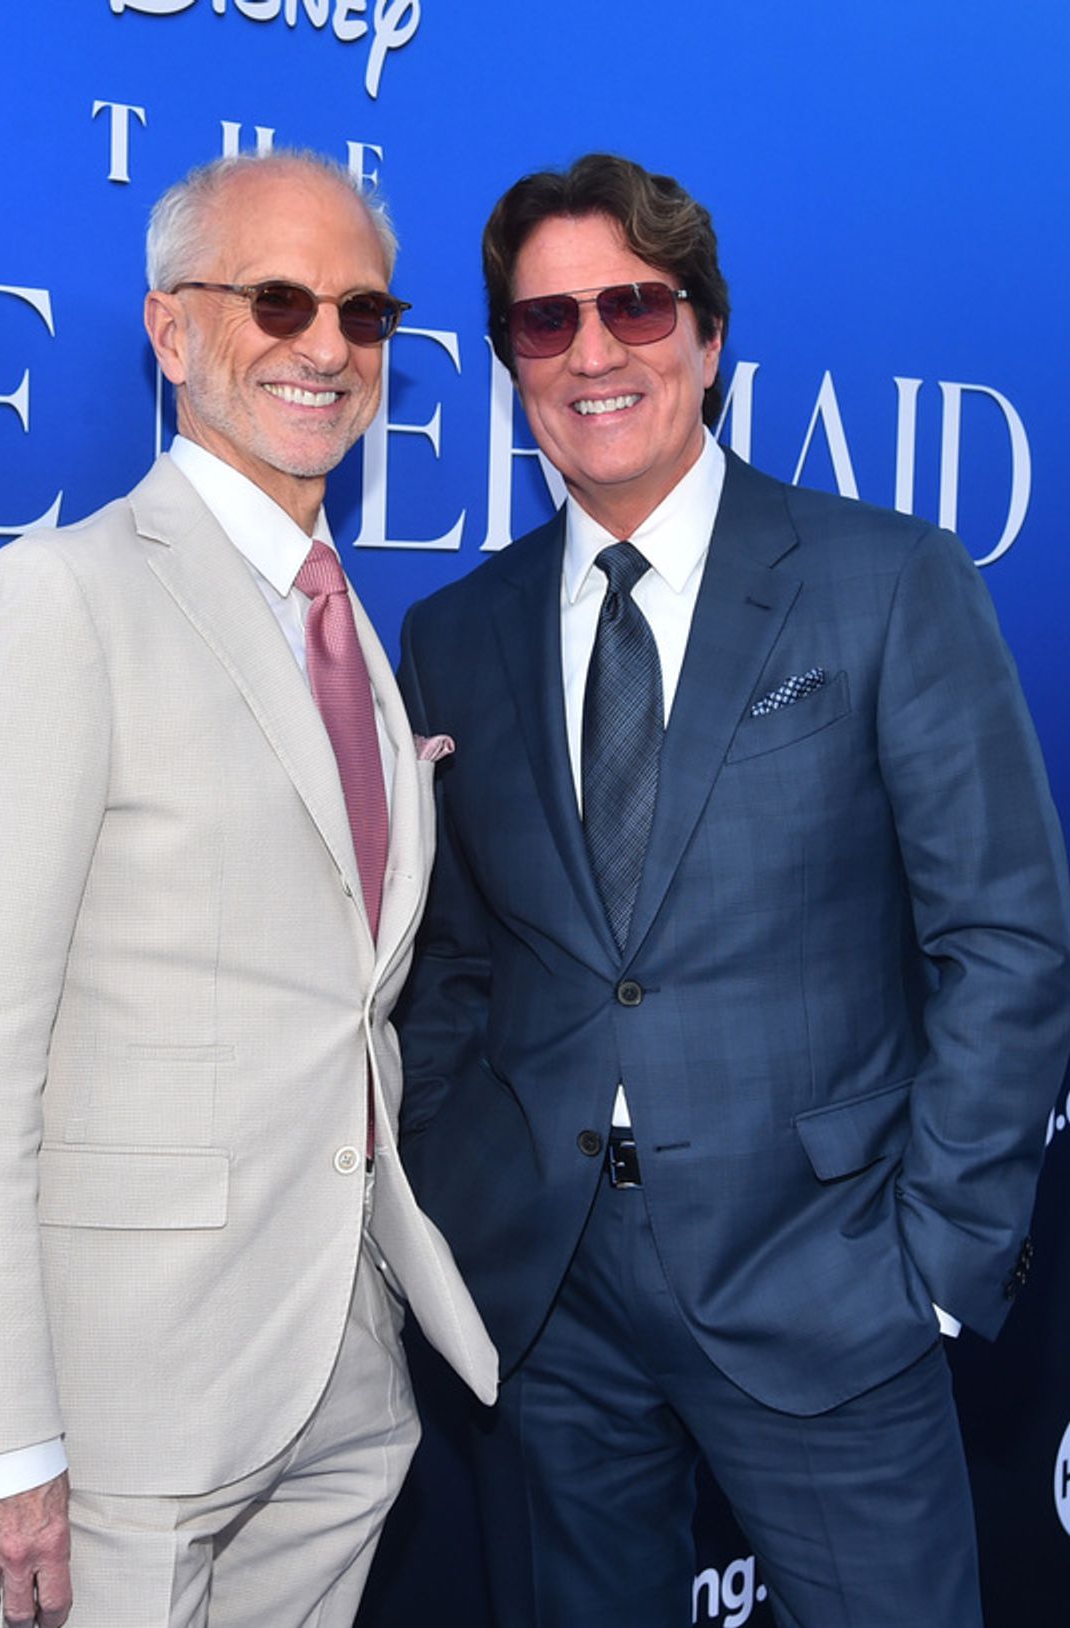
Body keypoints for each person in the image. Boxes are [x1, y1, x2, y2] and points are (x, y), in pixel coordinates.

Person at [394, 151, 1070, 1628]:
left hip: (829, 1286)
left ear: (707, 333)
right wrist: (464, 1189)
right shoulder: (454, 634)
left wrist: (934, 1264)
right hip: (555, 1303)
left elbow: (1006, 937)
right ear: (511, 360)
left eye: (634, 308)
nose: (593, 354)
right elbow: (448, 966)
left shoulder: (884, 580)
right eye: (544, 322)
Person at [0, 148, 495, 1628]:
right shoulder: (60, 605)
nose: (325, 345)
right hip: (122, 1409)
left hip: (343, 1369)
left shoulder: (352, 626)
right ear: (171, 334)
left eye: (364, 311)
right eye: (277, 299)